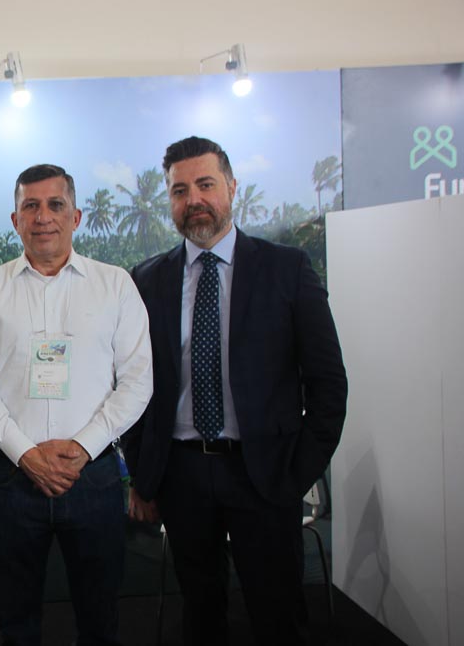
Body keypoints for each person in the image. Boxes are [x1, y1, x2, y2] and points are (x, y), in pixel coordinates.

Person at [123, 136, 348, 645]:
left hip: (264, 474)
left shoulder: (286, 269)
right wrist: (144, 472)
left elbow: (329, 385)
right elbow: (132, 387)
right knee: (201, 618)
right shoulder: (147, 280)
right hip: (181, 476)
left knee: (278, 617)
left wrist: (296, 473)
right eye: (180, 191)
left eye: (205, 185)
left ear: (232, 187)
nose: (194, 200)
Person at [0, 164, 153, 645]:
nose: (43, 216)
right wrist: (26, 453)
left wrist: (82, 448)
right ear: (15, 219)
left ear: (76, 216)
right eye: (31, 206)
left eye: (55, 205)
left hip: (94, 477)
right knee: (16, 620)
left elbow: (137, 382)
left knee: (100, 619)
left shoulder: (115, 285)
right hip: (13, 479)